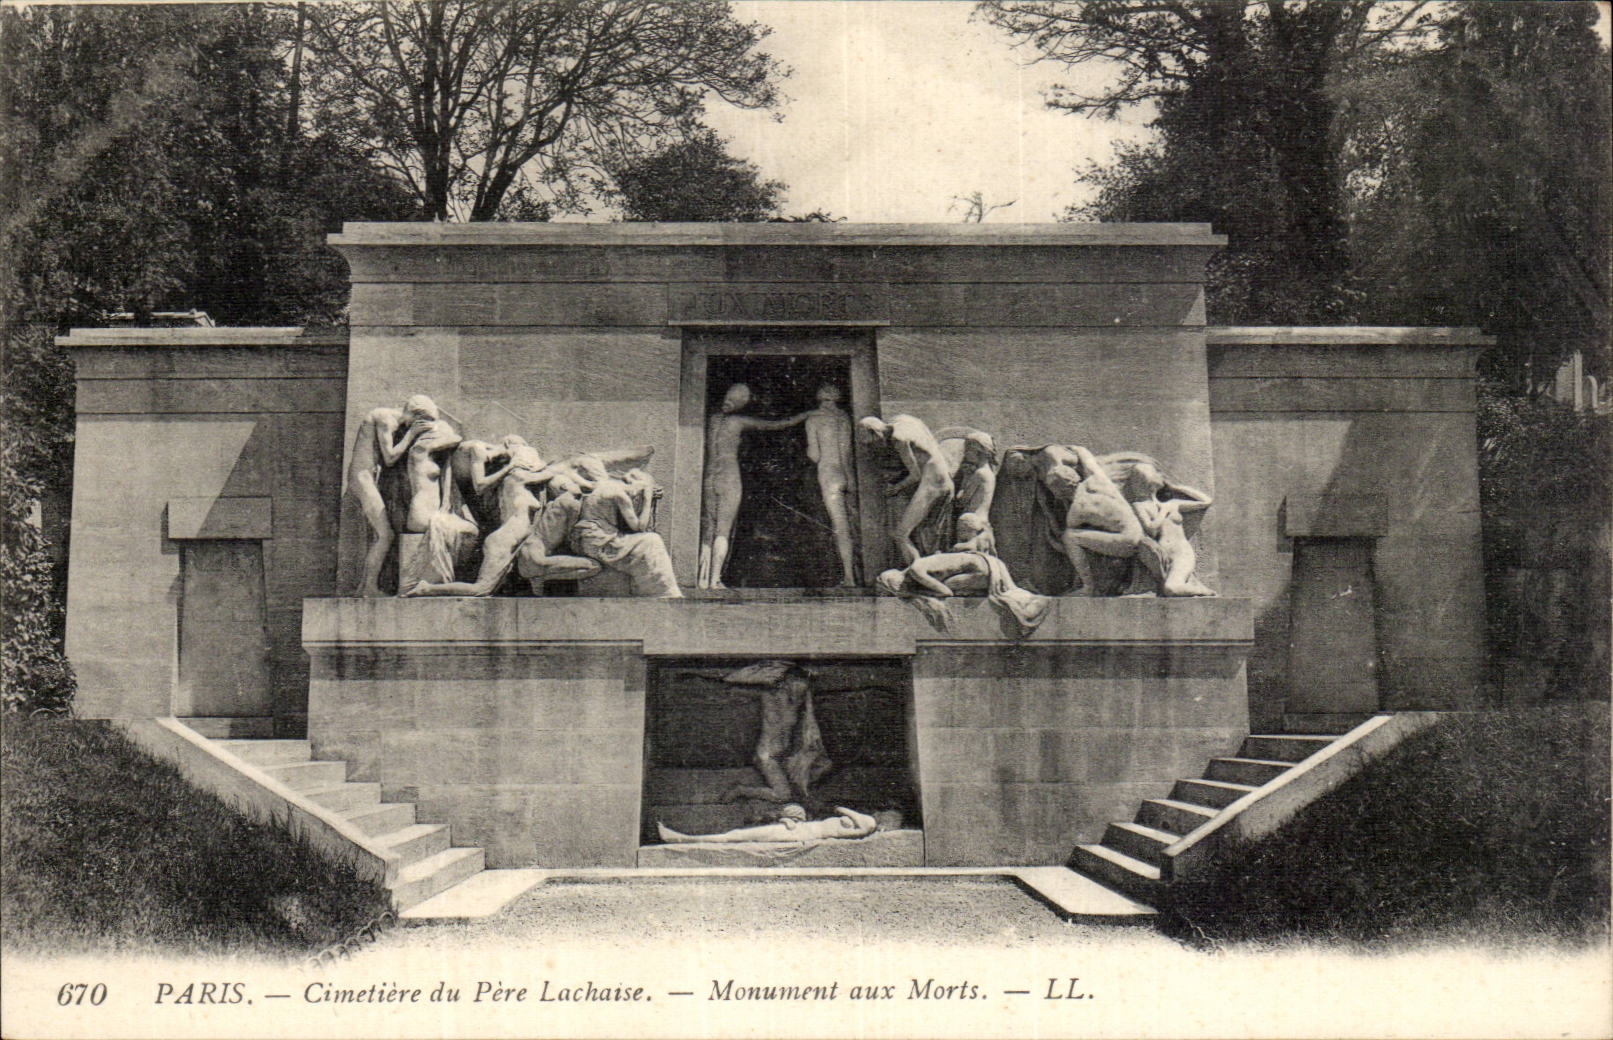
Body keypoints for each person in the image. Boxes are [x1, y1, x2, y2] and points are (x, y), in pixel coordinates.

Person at [405, 436, 587, 597]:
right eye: (528, 455)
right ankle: (427, 588)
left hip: (510, 541)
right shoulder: (518, 478)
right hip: (503, 542)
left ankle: (536, 580)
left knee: (484, 588)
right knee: (481, 589)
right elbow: (553, 473)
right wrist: (568, 467)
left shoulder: (518, 482)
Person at [698, 384, 810, 589]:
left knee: (708, 528)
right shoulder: (738, 421)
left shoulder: (712, 420)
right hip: (729, 476)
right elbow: (776, 425)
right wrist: (805, 415)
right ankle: (714, 579)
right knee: (723, 530)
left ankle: (701, 580)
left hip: (709, 476)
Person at [346, 395, 433, 597]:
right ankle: (368, 587)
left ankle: (363, 587)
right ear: (417, 417)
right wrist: (412, 434)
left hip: (367, 478)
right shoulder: (386, 418)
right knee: (386, 535)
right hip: (363, 479)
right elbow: (390, 457)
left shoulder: (388, 419)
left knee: (383, 534)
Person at [875, 550, 1050, 637]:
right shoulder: (917, 565)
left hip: (980, 569)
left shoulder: (915, 571)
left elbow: (946, 592)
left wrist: (921, 596)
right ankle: (1024, 596)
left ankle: (1027, 600)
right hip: (988, 562)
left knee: (949, 583)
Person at [857, 414, 954, 566]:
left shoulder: (898, 440)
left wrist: (895, 488)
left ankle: (918, 575)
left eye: (872, 442)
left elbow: (915, 475)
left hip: (932, 483)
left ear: (876, 433)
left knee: (900, 534)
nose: (873, 446)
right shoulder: (901, 420)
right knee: (925, 534)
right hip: (941, 477)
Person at [571, 464, 681, 597]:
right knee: (651, 540)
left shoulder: (607, 486)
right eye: (639, 494)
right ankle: (664, 592)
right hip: (602, 543)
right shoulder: (620, 495)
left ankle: (654, 589)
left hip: (593, 540)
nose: (636, 498)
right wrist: (647, 499)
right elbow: (640, 527)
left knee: (645, 542)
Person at [804, 383, 860, 586]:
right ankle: (857, 573)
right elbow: (846, 453)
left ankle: (849, 577)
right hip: (846, 473)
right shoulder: (843, 417)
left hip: (828, 474)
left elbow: (814, 454)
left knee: (840, 526)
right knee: (852, 524)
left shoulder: (813, 419)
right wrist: (851, 477)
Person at [656, 806, 878, 844]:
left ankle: (680, 838)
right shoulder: (865, 821)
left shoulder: (867, 825)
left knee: (735, 836)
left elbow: (860, 825)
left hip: (797, 834)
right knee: (736, 835)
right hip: (797, 829)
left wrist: (843, 810)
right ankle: (679, 837)